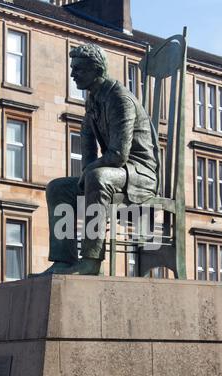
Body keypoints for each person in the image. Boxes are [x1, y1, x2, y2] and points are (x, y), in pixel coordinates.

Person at [41, 43, 159, 275]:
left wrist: (89, 172)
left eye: (79, 69)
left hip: (139, 173)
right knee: (58, 188)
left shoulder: (119, 99)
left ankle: (91, 261)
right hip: (115, 171)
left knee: (97, 177)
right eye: (73, 68)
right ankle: (64, 260)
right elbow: (87, 141)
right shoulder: (93, 99)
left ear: (97, 70)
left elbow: (118, 154)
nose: (73, 74)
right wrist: (85, 171)